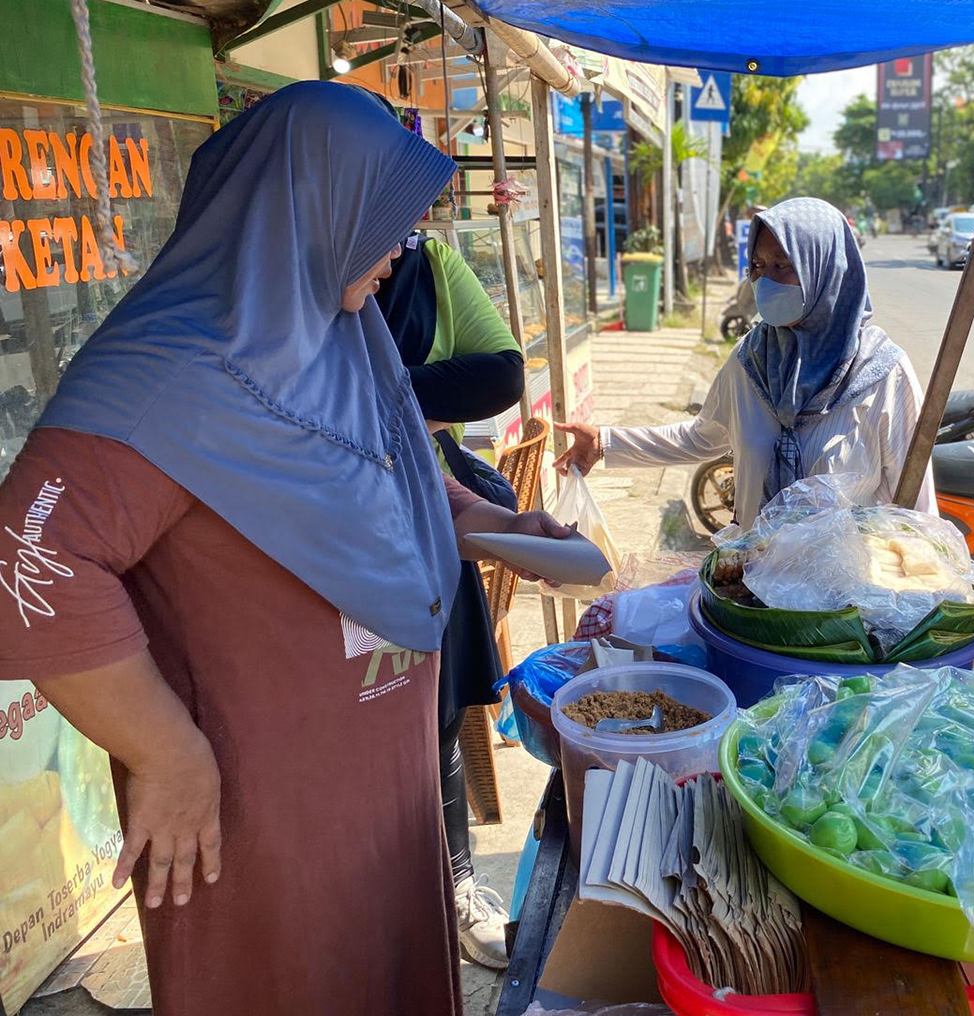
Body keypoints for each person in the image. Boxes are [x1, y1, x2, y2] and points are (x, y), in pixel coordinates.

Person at [0, 82, 569, 1016]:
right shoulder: (164, 369)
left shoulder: (342, 337)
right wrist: (167, 752)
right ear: (302, 208)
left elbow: (392, 481)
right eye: (383, 220)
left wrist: (502, 526)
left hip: (377, 777)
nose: (397, 251)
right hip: (260, 802)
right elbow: (32, 560)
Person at [555, 197, 935, 521]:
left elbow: (917, 510)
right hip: (750, 586)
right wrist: (606, 443)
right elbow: (702, 438)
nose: (764, 281)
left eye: (782, 266)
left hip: (845, 601)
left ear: (824, 268)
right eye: (757, 265)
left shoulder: (883, 374)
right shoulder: (752, 361)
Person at [374, 226, 525, 970]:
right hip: (329, 547)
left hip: (425, 513)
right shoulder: (276, 287)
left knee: (436, 711)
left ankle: (455, 881)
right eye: (382, 237)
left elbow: (501, 374)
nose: (387, 264)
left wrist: (387, 394)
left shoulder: (422, 261)